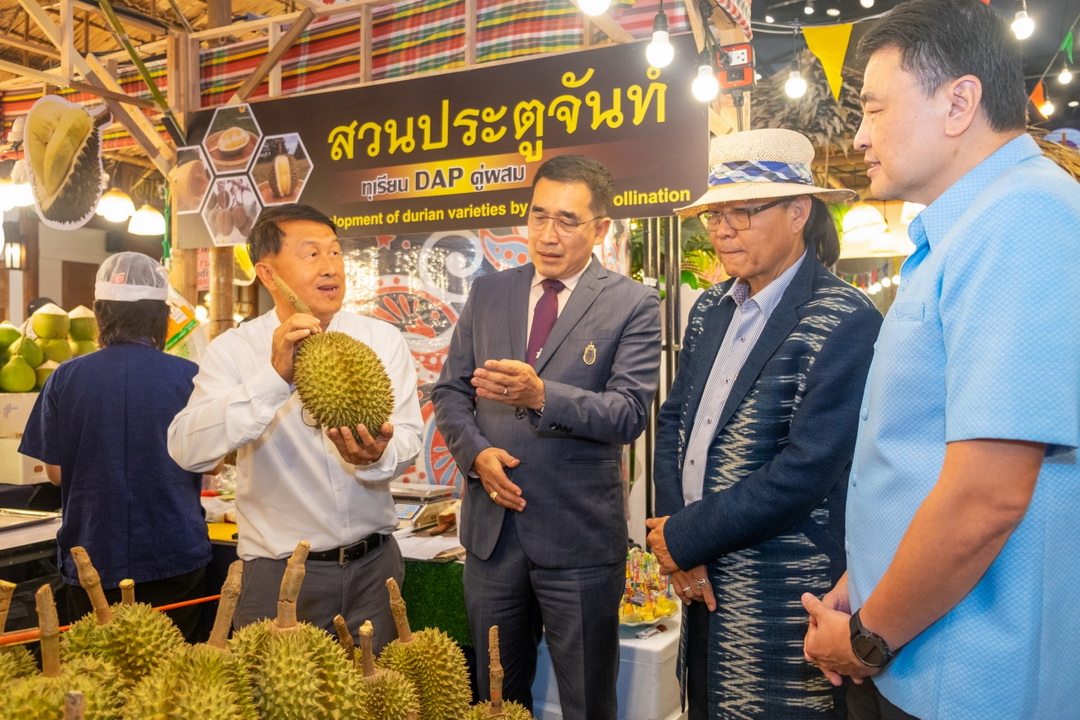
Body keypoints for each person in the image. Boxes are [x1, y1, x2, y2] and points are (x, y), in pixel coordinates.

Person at [801, 2, 1080, 719]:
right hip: (922, 643)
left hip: (966, 676)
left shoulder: (1023, 219)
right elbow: (923, 450)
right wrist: (869, 575)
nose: (858, 136)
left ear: (959, 102)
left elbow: (986, 498)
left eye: (874, 109)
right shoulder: (967, 231)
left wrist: (865, 638)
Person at [644, 128, 882, 720]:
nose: (722, 229)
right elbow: (674, 420)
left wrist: (683, 537)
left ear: (799, 211)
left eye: (743, 212)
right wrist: (679, 537)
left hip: (781, 588)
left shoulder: (842, 317)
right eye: (715, 214)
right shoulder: (710, 307)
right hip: (699, 579)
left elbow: (806, 470)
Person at [431, 154, 660, 719]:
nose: (548, 235)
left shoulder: (632, 303)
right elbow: (450, 393)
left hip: (578, 541)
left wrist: (542, 397)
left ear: (600, 228)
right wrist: (476, 454)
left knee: (586, 700)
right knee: (495, 699)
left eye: (567, 221)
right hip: (492, 539)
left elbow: (629, 413)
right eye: (537, 217)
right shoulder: (489, 294)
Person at [168, 203, 423, 651]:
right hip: (277, 579)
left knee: (380, 700)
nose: (331, 268)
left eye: (336, 253)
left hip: (374, 570)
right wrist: (273, 379)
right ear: (268, 274)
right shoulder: (234, 351)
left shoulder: (381, 340)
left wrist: (377, 455)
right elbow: (188, 449)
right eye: (311, 255)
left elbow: (407, 438)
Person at [19, 252, 211, 639]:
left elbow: (55, 474)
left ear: (100, 313)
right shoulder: (192, 377)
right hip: (173, 551)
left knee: (99, 678)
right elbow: (215, 465)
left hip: (92, 555)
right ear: (161, 317)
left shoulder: (65, 377)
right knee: (174, 680)